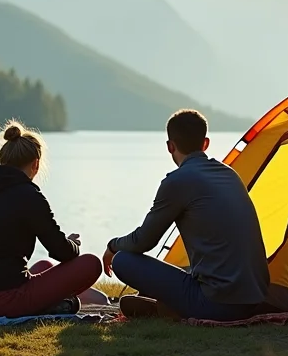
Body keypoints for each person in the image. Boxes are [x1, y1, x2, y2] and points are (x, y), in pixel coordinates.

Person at [103, 109, 271, 320]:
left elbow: (143, 241)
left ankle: (169, 309)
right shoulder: (229, 174)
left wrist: (112, 246)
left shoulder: (177, 181)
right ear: (206, 143)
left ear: (170, 146)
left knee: (123, 260)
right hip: (254, 298)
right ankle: (167, 307)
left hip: (216, 303)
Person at [0, 121, 103, 318]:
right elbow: (62, 251)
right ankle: (48, 306)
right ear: (35, 164)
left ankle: (49, 304)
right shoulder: (29, 196)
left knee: (45, 266)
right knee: (91, 263)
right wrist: (73, 244)